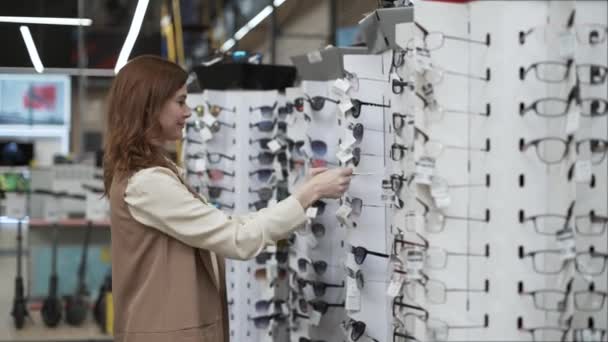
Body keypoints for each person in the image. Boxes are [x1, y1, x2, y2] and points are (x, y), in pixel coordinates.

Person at [102, 55, 353, 342]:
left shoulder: (154, 172)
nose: (188, 112)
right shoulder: (147, 183)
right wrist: (311, 194)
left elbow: (229, 224)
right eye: (180, 102)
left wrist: (301, 195)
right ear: (149, 106)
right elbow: (237, 238)